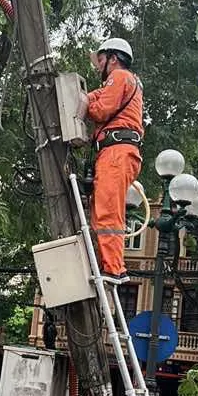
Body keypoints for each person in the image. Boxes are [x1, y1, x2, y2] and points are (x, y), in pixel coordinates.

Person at [79, 38, 143, 285]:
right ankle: (110, 265)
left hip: (117, 152)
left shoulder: (120, 77)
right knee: (101, 210)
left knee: (108, 211)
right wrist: (86, 96)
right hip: (114, 152)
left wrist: (86, 103)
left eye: (101, 60)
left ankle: (114, 268)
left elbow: (100, 110)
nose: (98, 67)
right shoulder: (123, 82)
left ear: (113, 59)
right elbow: (96, 97)